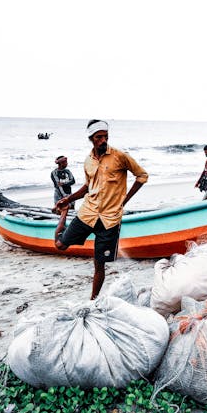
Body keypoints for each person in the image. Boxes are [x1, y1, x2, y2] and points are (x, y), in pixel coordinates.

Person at [54, 119, 148, 299]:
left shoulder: (120, 156)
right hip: (87, 213)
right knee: (60, 245)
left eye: (106, 137)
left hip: (110, 219)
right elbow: (88, 187)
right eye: (99, 137)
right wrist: (69, 199)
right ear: (91, 138)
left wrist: (124, 201)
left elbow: (142, 176)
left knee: (99, 264)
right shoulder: (88, 161)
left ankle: (92, 300)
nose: (103, 140)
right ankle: (64, 214)